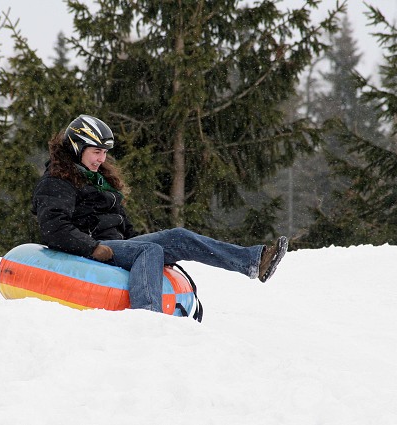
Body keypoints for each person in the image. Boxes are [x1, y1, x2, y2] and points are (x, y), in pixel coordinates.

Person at [31, 114, 288, 313]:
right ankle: (148, 315)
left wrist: (135, 243)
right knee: (149, 250)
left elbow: (123, 225)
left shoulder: (99, 181)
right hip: (91, 249)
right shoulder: (57, 182)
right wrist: (92, 247)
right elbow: (55, 228)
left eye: (105, 153)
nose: (102, 159)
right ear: (77, 148)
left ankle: (253, 261)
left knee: (179, 236)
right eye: (97, 152)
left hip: (114, 245)